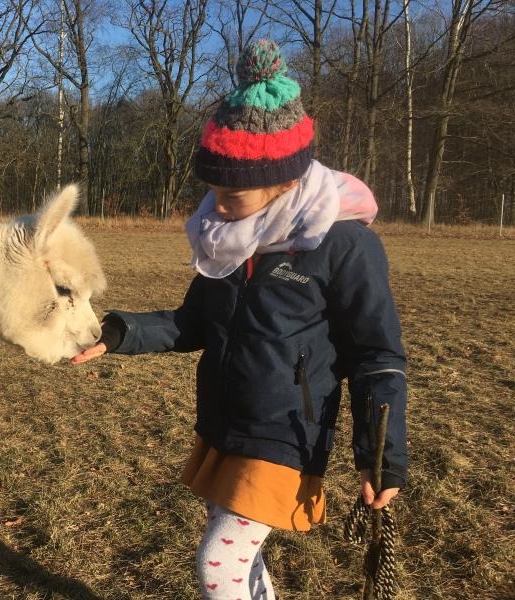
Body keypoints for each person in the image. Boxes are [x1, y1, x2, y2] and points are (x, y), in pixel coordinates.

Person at [72, 39, 407, 600]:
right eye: (212, 189)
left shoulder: (344, 244)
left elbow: (377, 356)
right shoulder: (224, 242)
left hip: (285, 435)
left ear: (284, 181)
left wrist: (382, 455)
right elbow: (192, 322)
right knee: (239, 559)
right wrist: (119, 333)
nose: (216, 205)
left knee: (218, 565)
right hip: (225, 423)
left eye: (232, 193)